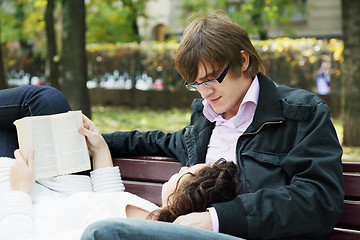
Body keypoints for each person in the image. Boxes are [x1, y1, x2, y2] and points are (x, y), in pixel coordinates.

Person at [83, 9, 344, 240]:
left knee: (105, 233)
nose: (205, 92)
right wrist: (93, 139)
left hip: (246, 234)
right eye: (196, 84)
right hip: (186, 231)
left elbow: (319, 200)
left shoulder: (299, 114)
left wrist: (217, 219)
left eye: (211, 79)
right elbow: (153, 140)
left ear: (243, 61)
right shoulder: (205, 120)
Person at [0, 85, 243, 239]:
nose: (186, 166)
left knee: (40, 101)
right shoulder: (152, 214)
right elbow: (109, 200)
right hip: (52, 187)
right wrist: (100, 150)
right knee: (44, 100)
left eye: (189, 172)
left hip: (14, 197)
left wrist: (19, 191)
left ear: (184, 198)